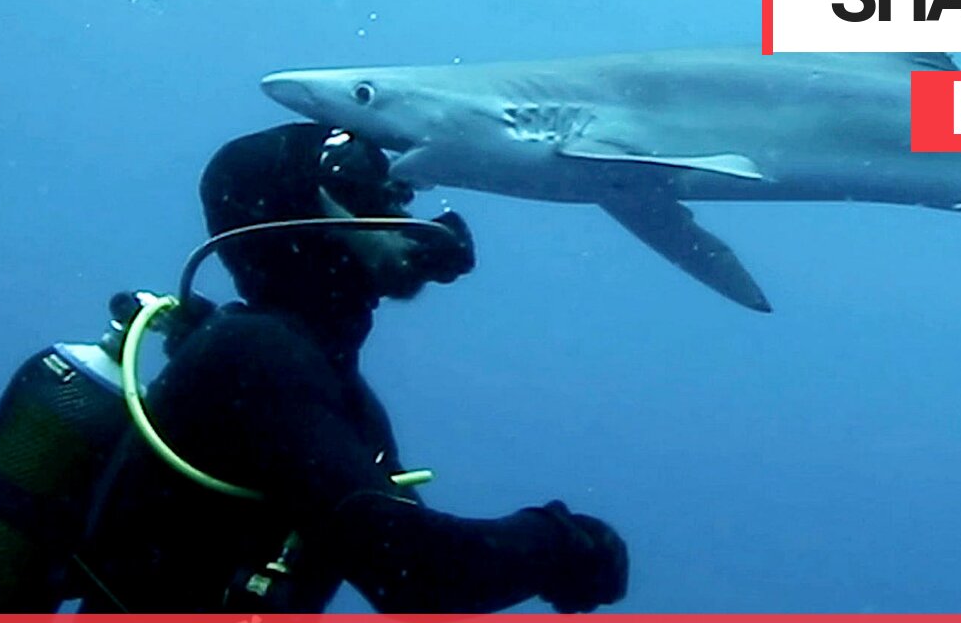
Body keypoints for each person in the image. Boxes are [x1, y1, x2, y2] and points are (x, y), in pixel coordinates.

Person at [73, 122, 629, 614]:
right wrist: (560, 544)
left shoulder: (328, 386)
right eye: (359, 177)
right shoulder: (256, 360)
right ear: (300, 212)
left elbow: (410, 560)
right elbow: (420, 575)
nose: (395, 201)